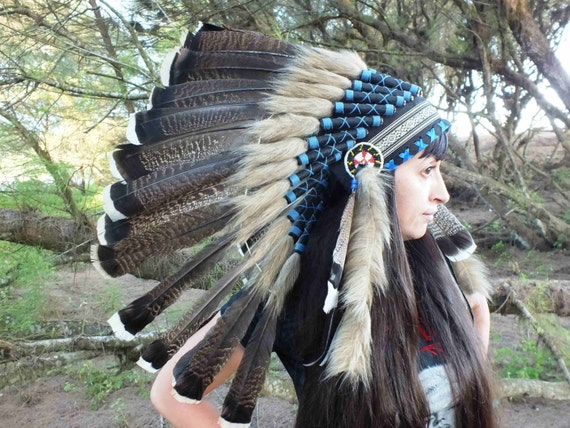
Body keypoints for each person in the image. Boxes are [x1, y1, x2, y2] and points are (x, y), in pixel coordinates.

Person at [98, 24, 497, 428]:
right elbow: (171, 395)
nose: (443, 193)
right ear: (369, 175)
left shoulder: (439, 274)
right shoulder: (297, 294)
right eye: (427, 170)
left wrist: (473, 339)